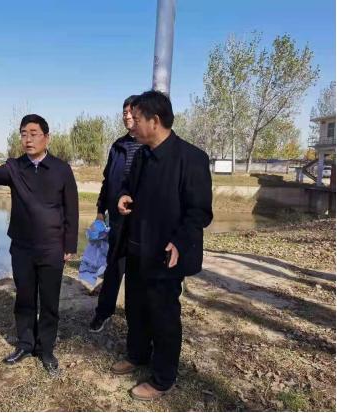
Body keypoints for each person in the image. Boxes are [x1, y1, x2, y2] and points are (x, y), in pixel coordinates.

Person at [110, 90, 213, 401]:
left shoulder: (191, 158)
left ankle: (163, 378)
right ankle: (137, 354)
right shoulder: (142, 155)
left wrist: (179, 242)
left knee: (163, 315)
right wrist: (123, 196)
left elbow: (199, 212)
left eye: (137, 119)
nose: (132, 123)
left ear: (154, 121)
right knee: (136, 308)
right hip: (137, 247)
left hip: (166, 253)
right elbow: (129, 187)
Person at [0, 114, 78, 375]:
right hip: (22, 247)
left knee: (49, 301)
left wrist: (69, 245)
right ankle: (25, 344)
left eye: (34, 134)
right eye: (24, 134)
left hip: (52, 247)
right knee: (24, 297)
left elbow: (72, 208)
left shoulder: (61, 169)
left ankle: (46, 349)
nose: (28, 139)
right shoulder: (15, 167)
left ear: (47, 137)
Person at [89, 95, 141, 333]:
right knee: (113, 266)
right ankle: (103, 312)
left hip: (141, 220)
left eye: (131, 112)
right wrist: (101, 211)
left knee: (138, 272)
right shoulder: (118, 146)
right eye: (124, 112)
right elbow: (107, 181)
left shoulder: (150, 146)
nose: (127, 116)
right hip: (118, 220)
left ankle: (135, 319)